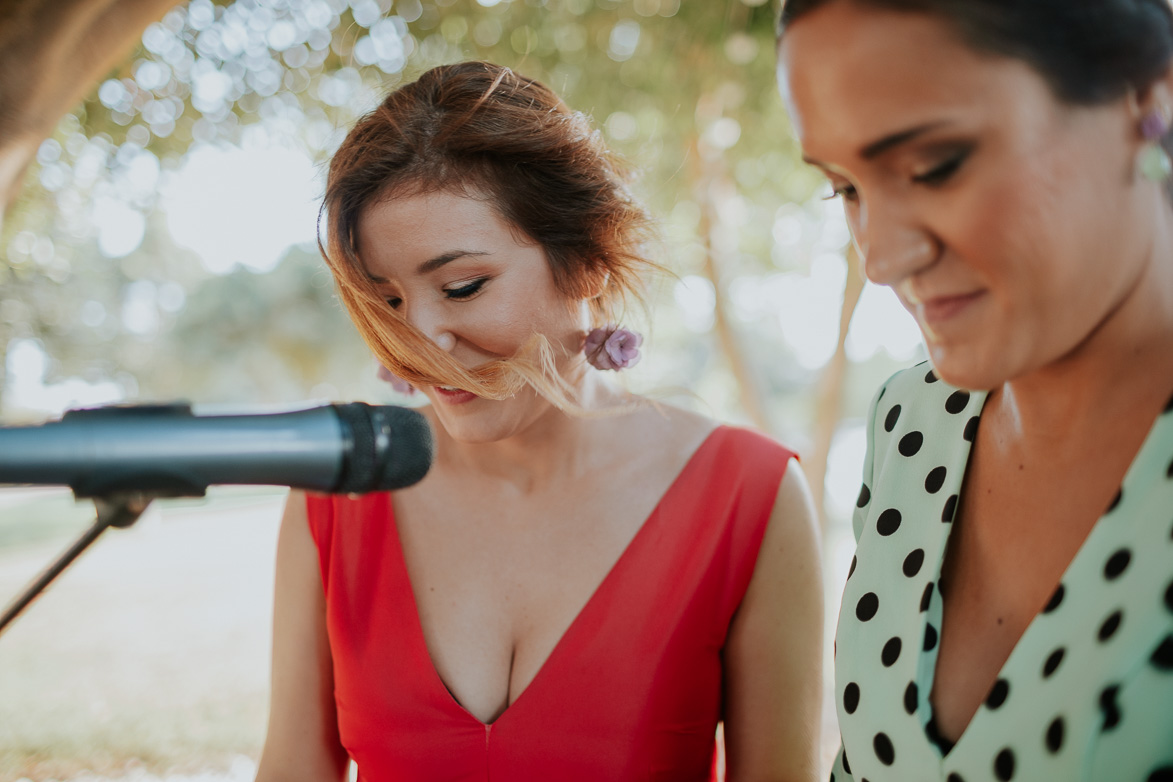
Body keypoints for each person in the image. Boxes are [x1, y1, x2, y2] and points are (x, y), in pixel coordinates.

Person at [253, 61, 823, 782]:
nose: (420, 338)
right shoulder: (337, 490)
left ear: (584, 261)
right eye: (389, 301)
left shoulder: (751, 495)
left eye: (462, 286)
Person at [775, 1, 1173, 780]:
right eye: (844, 189)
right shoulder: (911, 418)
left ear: (1146, 99)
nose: (880, 257)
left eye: (934, 165)